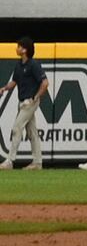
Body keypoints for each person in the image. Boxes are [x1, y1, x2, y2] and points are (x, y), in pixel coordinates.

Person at [0, 39, 44, 168]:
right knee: (32, 132)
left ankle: (10, 160)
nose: (17, 48)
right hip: (22, 102)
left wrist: (36, 97)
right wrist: (4, 88)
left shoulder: (33, 64)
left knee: (16, 128)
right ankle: (37, 162)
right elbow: (14, 81)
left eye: (19, 47)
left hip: (29, 102)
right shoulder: (19, 65)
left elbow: (45, 83)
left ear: (24, 49)